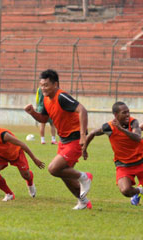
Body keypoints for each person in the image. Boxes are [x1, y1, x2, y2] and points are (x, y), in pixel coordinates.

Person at [83, 102, 143, 217]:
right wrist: (84, 148)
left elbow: (137, 137)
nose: (127, 115)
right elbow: (92, 133)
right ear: (116, 115)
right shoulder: (108, 127)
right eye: (124, 112)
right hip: (123, 165)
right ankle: (140, 191)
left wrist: (121, 129)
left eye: (128, 112)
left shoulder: (133, 122)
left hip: (141, 162)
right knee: (125, 191)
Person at [24, 69, 92, 210]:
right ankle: (83, 202)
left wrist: (83, 136)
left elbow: (82, 110)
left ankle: (85, 177)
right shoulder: (46, 99)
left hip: (74, 139)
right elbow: (43, 118)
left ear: (56, 84)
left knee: (54, 169)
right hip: (63, 140)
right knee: (65, 175)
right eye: (41, 85)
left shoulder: (61, 96)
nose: (43, 88)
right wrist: (32, 113)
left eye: (46, 85)